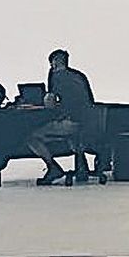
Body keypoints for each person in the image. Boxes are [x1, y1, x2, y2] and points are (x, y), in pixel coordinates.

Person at [26, 49, 98, 185]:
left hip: (72, 122)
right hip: (88, 122)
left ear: (54, 62)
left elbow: (50, 103)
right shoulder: (78, 75)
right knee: (68, 135)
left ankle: (53, 168)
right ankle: (81, 167)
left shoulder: (58, 77)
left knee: (32, 138)